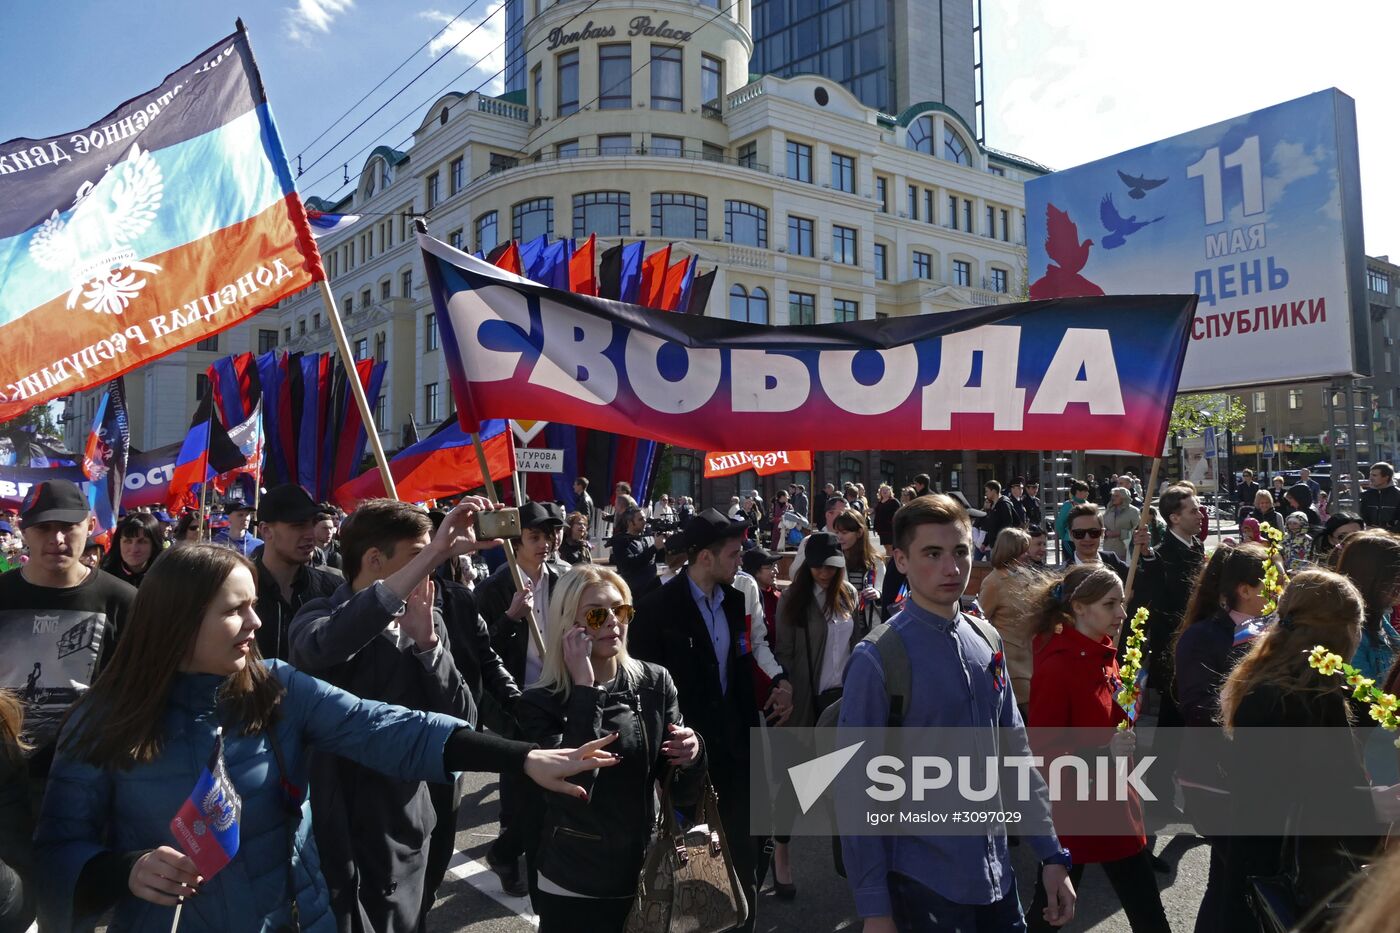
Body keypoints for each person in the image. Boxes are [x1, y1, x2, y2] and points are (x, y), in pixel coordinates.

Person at [31, 541, 620, 933]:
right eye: (236, 611)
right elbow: (57, 851)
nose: (257, 625)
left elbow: (392, 729)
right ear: (179, 620)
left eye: (256, 606)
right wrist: (124, 870)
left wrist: (524, 759)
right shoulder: (101, 720)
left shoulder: (279, 689)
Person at [838, 494, 1075, 931]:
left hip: (998, 877)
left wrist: (1050, 853)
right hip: (921, 884)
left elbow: (1016, 753)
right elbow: (856, 791)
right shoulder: (877, 659)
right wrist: (874, 909)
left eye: (961, 551)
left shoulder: (986, 637)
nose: (951, 568)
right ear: (901, 561)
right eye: (932, 553)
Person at [288, 499, 477, 933]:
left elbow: (462, 720)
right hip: (336, 827)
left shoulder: (429, 623)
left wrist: (430, 647)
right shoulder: (317, 616)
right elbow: (325, 646)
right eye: (418, 556)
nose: (429, 568)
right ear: (374, 559)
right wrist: (438, 552)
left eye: (432, 556)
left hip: (406, 828)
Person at [518, 565, 703, 932]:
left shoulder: (654, 682)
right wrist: (586, 689)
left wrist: (693, 752)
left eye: (621, 611)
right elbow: (575, 788)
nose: (613, 623)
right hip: (575, 878)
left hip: (647, 870)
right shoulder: (540, 702)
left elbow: (681, 789)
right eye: (597, 614)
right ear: (567, 623)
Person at [1219, 570, 1399, 931]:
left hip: (1265, 866)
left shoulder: (1283, 681)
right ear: (1343, 631)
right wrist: (1369, 803)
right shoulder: (1296, 696)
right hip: (1286, 878)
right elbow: (1278, 796)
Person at [628, 509, 761, 933]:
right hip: (684, 761)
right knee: (691, 863)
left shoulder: (736, 599)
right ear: (705, 556)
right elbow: (645, 690)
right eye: (734, 553)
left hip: (737, 753)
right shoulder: (656, 607)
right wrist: (659, 764)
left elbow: (739, 672)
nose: (741, 560)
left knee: (744, 858)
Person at [1024, 564, 1169, 933]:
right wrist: (1102, 753)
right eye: (1110, 604)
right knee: (1050, 915)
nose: (1122, 613)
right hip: (1079, 812)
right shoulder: (1058, 666)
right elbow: (1042, 753)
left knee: (1145, 913)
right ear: (1079, 607)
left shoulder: (1105, 652)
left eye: (1122, 603)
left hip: (1115, 805)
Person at [0, 481, 136, 795]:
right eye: (44, 527)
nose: (56, 539)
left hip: (89, 779)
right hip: (7, 782)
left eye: (67, 527)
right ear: (23, 529)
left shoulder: (124, 601)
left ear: (89, 526)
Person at [1172, 542, 1269, 933]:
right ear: (1245, 589)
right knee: (1233, 880)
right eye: (1271, 579)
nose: (1279, 587)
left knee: (1229, 881)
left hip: (1253, 778)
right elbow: (1199, 710)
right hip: (1217, 778)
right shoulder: (1203, 636)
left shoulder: (1270, 629)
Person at [475, 500, 569, 896]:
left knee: (546, 781)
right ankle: (508, 854)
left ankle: (511, 850)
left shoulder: (563, 578)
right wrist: (511, 617)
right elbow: (477, 650)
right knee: (519, 781)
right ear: (515, 542)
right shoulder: (496, 587)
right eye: (534, 536)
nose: (544, 544)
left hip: (554, 691)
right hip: (513, 696)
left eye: (549, 536)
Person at [770, 531, 861, 898]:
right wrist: (788, 695)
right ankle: (781, 852)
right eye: (816, 565)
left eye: (829, 565)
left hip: (843, 699)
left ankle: (850, 862)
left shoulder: (849, 595)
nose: (823, 572)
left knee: (848, 783)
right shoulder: (794, 598)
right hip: (807, 700)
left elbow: (856, 644)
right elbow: (785, 654)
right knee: (798, 784)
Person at [1130, 486, 1206, 806]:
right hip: (1172, 650)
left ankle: (1184, 784)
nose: (1200, 514)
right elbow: (1156, 589)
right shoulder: (1161, 552)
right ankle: (1159, 791)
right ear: (1174, 517)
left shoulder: (1197, 545)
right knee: (1170, 724)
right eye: (1192, 510)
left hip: (1197, 645)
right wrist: (1146, 556)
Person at [252, 484, 342, 661]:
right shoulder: (237, 591)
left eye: (312, 524)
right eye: (298, 525)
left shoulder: (334, 589)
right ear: (266, 530)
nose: (310, 534)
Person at [975, 528, 1041, 711]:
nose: (1028, 555)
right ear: (1010, 551)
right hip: (1011, 667)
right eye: (1023, 550)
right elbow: (981, 622)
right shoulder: (994, 582)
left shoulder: (1026, 577)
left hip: (1031, 661)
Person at [832, 510, 884, 627]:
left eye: (844, 532)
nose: (839, 537)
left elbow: (883, 590)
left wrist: (877, 594)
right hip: (842, 627)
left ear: (859, 532)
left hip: (869, 627)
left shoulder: (875, 562)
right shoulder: (833, 560)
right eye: (837, 532)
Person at [605, 505, 665, 600]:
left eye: (645, 518)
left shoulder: (649, 537)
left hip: (652, 591)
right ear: (630, 522)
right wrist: (654, 548)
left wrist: (667, 544)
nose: (645, 522)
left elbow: (659, 559)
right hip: (634, 594)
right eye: (640, 519)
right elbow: (628, 565)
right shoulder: (621, 541)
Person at [1065, 503, 1130, 579]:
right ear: (1070, 535)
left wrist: (1145, 553)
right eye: (1079, 533)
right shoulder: (1062, 575)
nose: (1087, 538)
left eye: (1094, 532)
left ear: (1102, 533)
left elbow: (1142, 581)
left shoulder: (1113, 562)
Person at [100, 511, 164, 589]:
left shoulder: (166, 578)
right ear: (119, 543)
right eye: (127, 541)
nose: (134, 549)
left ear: (154, 545)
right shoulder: (103, 578)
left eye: (142, 542)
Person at [973, 480, 1017, 561]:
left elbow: (1007, 526)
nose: (985, 494)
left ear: (993, 491)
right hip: (994, 545)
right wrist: (984, 543)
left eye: (987, 491)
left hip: (1001, 546)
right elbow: (992, 527)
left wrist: (1000, 542)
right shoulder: (993, 506)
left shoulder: (1004, 504)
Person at [1101, 487, 1141, 562]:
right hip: (1108, 549)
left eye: (1116, 496)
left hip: (1126, 550)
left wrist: (1121, 533)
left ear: (1124, 497)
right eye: (1112, 495)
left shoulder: (1133, 511)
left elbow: (1138, 530)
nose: (1113, 498)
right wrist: (1105, 532)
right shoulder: (1109, 510)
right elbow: (1101, 526)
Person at [1055, 480, 1091, 560]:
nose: (1087, 493)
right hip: (1070, 541)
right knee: (1071, 564)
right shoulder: (1068, 505)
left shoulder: (1088, 504)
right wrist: (1064, 537)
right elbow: (1060, 523)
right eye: (1085, 491)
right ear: (1078, 492)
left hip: (1085, 540)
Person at [1359, 461, 1400, 532]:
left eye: (1374, 475)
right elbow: (1361, 517)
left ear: (1386, 477)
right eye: (1370, 475)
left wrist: (1385, 530)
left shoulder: (1398, 495)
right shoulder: (1366, 495)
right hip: (1370, 537)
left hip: (1393, 538)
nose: (1370, 478)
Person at [311, 505, 343, 570]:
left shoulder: (340, 549)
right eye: (325, 528)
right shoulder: (306, 550)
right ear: (313, 529)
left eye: (331, 528)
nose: (329, 532)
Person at [872, 483, 899, 550]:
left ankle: (891, 560)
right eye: (883, 490)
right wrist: (875, 527)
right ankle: (889, 560)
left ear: (890, 492)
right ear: (880, 492)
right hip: (882, 529)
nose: (885, 491)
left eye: (887, 490)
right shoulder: (880, 502)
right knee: (886, 548)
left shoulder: (894, 501)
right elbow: (877, 515)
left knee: (890, 548)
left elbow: (898, 514)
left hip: (890, 529)